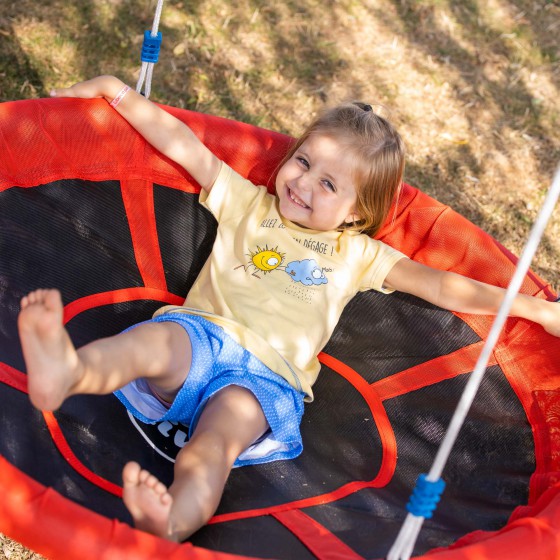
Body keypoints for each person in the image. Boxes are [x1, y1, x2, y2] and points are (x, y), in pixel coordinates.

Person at [17, 75, 560, 543]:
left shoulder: (360, 254)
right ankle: (69, 372)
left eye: (328, 184)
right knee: (149, 343)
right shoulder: (247, 202)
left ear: (354, 215)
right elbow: (183, 145)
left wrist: (532, 312)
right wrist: (118, 94)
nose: (301, 182)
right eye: (302, 161)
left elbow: (445, 287)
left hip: (265, 382)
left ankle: (173, 519)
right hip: (201, 339)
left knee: (213, 447)